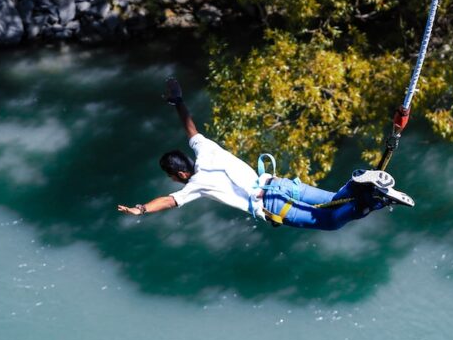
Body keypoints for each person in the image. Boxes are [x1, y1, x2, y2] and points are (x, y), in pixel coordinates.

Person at [117, 78, 414, 230]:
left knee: (331, 221)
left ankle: (373, 196)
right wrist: (177, 100)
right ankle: (366, 187)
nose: (174, 182)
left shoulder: (196, 186)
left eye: (172, 177)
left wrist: (141, 209)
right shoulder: (204, 149)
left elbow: (169, 201)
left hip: (272, 203)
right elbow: (190, 127)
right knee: (333, 200)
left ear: (180, 174)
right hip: (277, 183)